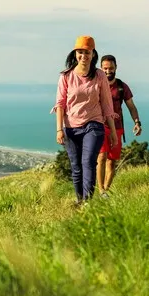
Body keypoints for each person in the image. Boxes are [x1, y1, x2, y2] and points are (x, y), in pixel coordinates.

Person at [51, 35, 118, 207]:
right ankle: (79, 200)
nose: (84, 56)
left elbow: (107, 104)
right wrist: (59, 129)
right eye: (80, 52)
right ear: (75, 54)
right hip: (71, 127)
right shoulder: (65, 77)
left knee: (88, 161)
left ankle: (88, 201)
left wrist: (112, 132)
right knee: (76, 166)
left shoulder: (99, 76)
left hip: (94, 124)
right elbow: (60, 104)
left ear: (93, 54)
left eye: (87, 52)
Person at [97, 54, 142, 198]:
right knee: (101, 157)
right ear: (100, 68)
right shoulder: (96, 85)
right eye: (105, 68)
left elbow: (131, 107)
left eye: (110, 68)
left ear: (116, 67)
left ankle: (106, 190)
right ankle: (101, 190)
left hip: (117, 127)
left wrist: (137, 122)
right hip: (100, 126)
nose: (108, 71)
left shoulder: (122, 87)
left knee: (112, 161)